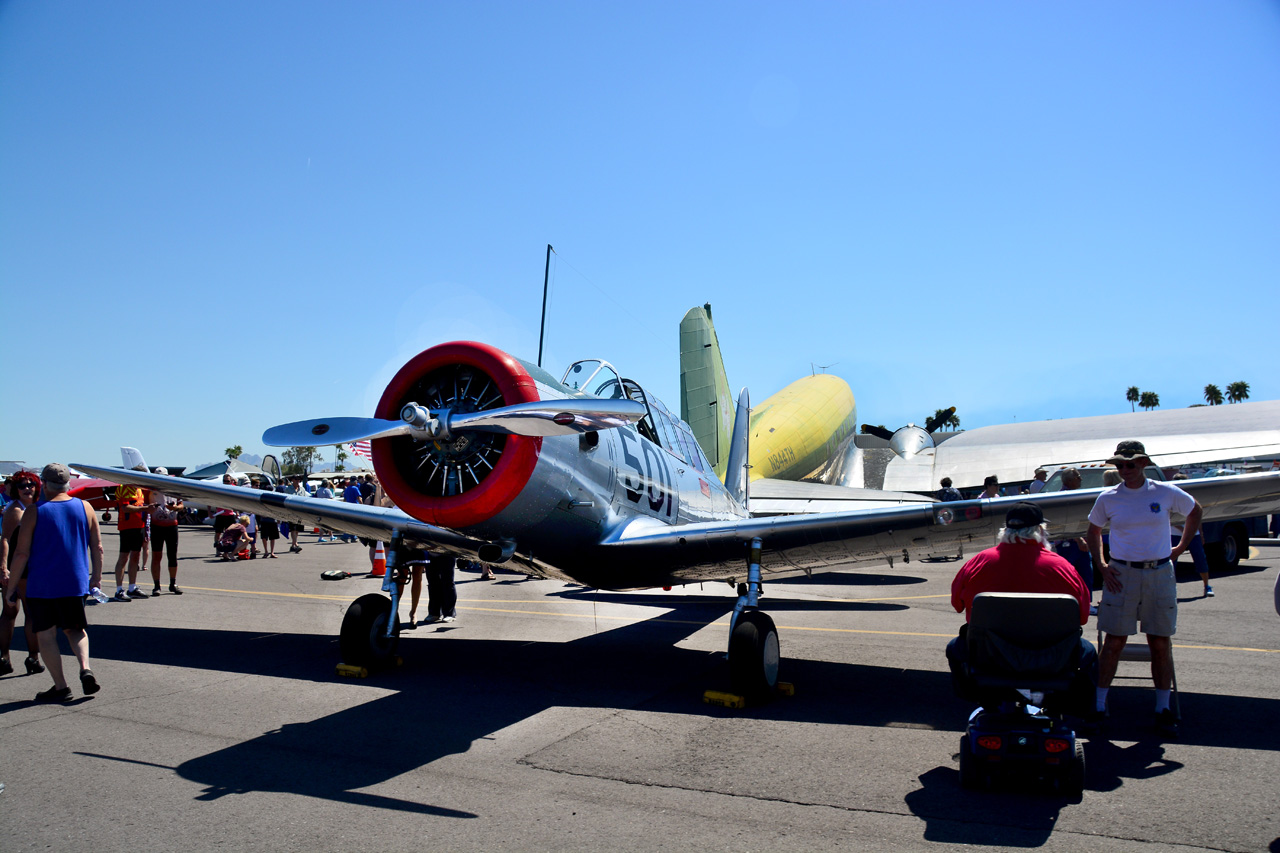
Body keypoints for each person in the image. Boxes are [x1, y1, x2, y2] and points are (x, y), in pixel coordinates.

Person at [1087, 440, 1201, 737]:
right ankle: (1098, 706)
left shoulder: (1164, 492)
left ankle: (1162, 709)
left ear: (1143, 463)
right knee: (1114, 642)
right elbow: (1093, 530)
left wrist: (1180, 547)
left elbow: (1194, 510)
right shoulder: (1108, 498)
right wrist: (1101, 565)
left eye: (1131, 464)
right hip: (1121, 574)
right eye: (1120, 465)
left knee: (1160, 643)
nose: (1125, 470)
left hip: (1159, 573)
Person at [946, 502, 1096, 715]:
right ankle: (1084, 714)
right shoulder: (1062, 567)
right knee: (1088, 652)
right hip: (1051, 659)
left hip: (990, 658)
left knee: (955, 648)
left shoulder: (979, 562)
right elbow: (1082, 617)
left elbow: (957, 604)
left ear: (1005, 530)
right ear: (1041, 530)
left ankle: (988, 701)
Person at [5, 463, 104, 702]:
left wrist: (11, 587)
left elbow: (21, 553)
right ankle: (85, 668)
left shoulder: (35, 511)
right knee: (76, 629)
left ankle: (61, 686)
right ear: (68, 483)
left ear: (45, 484)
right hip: (75, 582)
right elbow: (97, 547)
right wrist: (96, 578)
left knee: (46, 634)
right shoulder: (86, 507)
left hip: (43, 585)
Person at [1, 471, 45, 676]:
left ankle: (8, 658)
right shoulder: (16, 511)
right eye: (22, 486)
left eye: (31, 485)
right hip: (20, 567)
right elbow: (5, 539)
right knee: (23, 613)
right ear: (15, 490)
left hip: (27, 565)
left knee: (13, 613)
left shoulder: (32, 508)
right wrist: (3, 568)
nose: (27, 489)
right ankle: (30, 658)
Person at [1050, 468, 1095, 614]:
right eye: (1078, 477)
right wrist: (1080, 540)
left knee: (1086, 573)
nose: (1080, 479)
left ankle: (1086, 604)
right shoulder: (1063, 497)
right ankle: (1068, 604)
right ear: (1069, 481)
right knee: (1070, 575)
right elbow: (1065, 523)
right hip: (1069, 544)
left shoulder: (1076, 494)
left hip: (1079, 541)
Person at [1170, 473, 1212, 597]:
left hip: (1194, 534)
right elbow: (1169, 519)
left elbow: (1197, 516)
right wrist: (1184, 530)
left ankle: (1206, 586)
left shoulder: (1191, 498)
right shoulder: (1171, 498)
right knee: (1171, 561)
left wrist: (1201, 533)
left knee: (1200, 559)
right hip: (1174, 534)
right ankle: (1171, 588)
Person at [146, 468, 184, 595]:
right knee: (157, 556)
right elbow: (145, 506)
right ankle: (156, 585)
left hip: (172, 525)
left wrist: (175, 508)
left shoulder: (174, 488)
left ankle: (173, 583)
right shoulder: (151, 490)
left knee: (172, 555)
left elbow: (181, 505)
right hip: (157, 525)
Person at [112, 483, 149, 600]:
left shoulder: (139, 489)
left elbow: (140, 505)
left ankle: (132, 588)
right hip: (127, 527)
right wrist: (145, 508)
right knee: (124, 557)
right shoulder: (123, 488)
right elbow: (125, 507)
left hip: (139, 526)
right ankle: (119, 590)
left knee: (135, 556)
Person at [255, 480, 280, 558]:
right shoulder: (262, 499)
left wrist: (278, 518)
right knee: (264, 537)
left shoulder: (274, 500)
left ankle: (271, 552)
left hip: (272, 520)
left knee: (272, 537)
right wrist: (262, 514)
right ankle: (266, 551)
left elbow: (277, 510)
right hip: (264, 520)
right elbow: (259, 509)